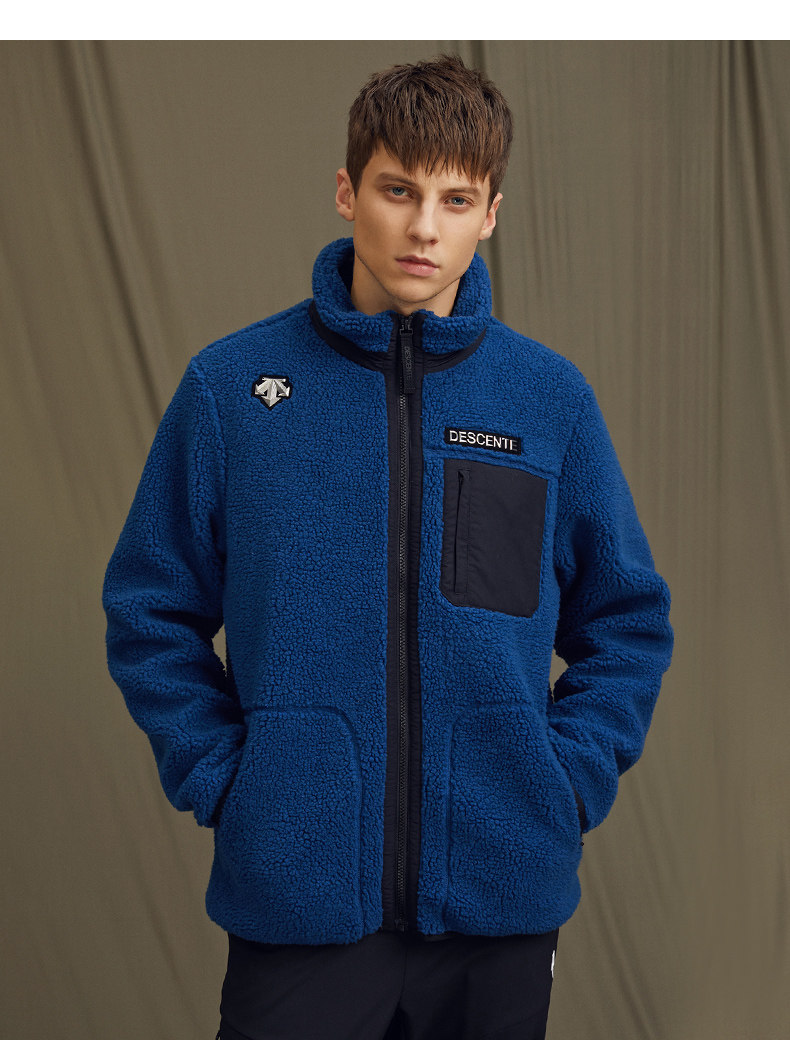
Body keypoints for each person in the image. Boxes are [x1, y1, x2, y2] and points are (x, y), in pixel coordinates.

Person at [103, 54, 674, 1040]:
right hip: (298, 897)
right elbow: (149, 609)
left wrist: (562, 781)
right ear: (347, 192)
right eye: (398, 190)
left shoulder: (548, 402)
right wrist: (234, 783)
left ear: (490, 215)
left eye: (456, 200)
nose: (423, 228)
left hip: (498, 901)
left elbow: (626, 622)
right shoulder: (234, 390)